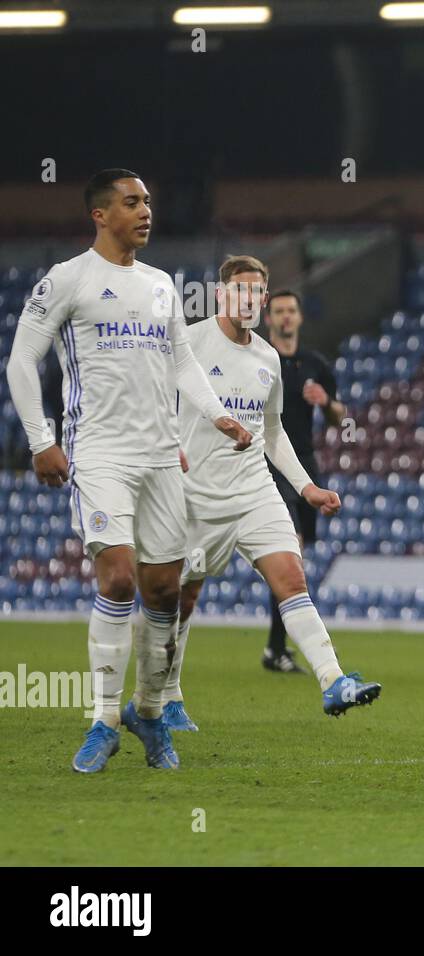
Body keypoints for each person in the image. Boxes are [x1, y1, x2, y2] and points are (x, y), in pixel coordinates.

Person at [4, 168, 252, 773]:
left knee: (164, 590)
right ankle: (103, 719)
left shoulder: (162, 284)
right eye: (131, 202)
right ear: (99, 213)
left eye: (148, 202)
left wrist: (218, 416)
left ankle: (146, 710)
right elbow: (20, 360)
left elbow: (183, 362)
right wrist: (41, 440)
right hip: (98, 453)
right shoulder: (68, 280)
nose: (145, 212)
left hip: (162, 455)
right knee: (117, 578)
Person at [160, 255, 379, 732]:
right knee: (184, 599)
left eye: (257, 292)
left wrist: (307, 488)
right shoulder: (191, 341)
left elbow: (273, 433)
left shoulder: (266, 358)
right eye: (239, 290)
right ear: (221, 295)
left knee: (291, 579)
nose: (250, 299)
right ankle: (168, 695)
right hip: (195, 495)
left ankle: (333, 679)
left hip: (254, 490)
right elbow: (155, 398)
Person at [260, 289, 346, 673]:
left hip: (305, 464)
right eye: (278, 311)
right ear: (269, 319)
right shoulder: (259, 360)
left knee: (299, 556)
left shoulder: (315, 363)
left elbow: (339, 418)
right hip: (267, 464)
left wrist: (326, 402)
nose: (285, 317)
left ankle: (275, 648)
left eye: (291, 310)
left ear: (299, 317)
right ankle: (279, 649)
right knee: (290, 551)